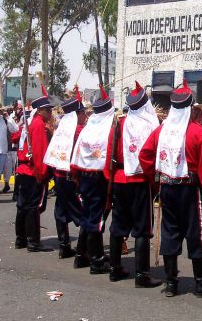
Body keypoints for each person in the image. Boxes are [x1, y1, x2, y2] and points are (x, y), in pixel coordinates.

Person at [139, 80, 202, 298]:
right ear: (190, 107)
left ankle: (171, 284)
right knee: (197, 235)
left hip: (167, 187)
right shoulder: (198, 133)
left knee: (170, 232)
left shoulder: (160, 131)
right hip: (189, 190)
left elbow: (144, 155)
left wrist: (156, 181)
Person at [103, 81, 162, 288]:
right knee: (142, 228)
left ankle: (114, 269)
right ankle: (142, 275)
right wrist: (155, 183)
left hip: (120, 178)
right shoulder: (151, 125)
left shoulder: (119, 122)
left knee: (118, 225)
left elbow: (110, 151)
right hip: (140, 180)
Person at [70, 86, 116, 274]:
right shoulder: (107, 130)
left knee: (87, 215)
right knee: (96, 219)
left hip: (85, 176)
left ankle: (81, 255)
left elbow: (76, 156)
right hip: (98, 178)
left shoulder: (87, 129)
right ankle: (96, 260)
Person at [43, 89, 87, 261]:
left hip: (59, 176)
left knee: (60, 211)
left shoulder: (62, 128)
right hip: (72, 177)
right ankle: (85, 250)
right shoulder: (78, 131)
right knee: (83, 215)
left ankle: (64, 246)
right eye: (83, 112)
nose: (85, 115)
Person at [15, 88, 54, 252]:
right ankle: (33, 241)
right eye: (48, 110)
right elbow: (39, 152)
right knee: (33, 206)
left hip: (24, 169)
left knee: (23, 205)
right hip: (33, 171)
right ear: (40, 110)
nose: (51, 112)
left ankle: (21, 239)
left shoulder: (30, 123)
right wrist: (42, 173)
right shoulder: (38, 125)